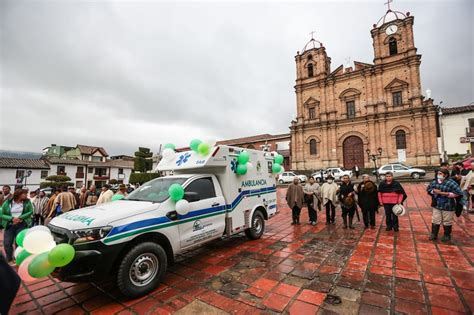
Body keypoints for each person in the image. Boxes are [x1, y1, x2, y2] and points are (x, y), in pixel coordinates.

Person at [427, 168, 463, 241]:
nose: (439, 175)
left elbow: (459, 193)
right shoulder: (434, 182)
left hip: (448, 204)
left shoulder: (451, 183)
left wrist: (446, 194)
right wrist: (433, 191)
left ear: (446, 175)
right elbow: (429, 189)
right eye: (438, 173)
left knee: (447, 220)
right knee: (435, 219)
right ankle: (434, 234)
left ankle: (447, 235)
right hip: (436, 204)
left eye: (440, 174)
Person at [1, 189, 33, 264]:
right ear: (18, 194)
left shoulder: (27, 202)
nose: (26, 195)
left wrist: (20, 218)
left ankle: (17, 258)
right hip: (10, 225)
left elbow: (30, 211)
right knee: (7, 243)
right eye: (24, 194)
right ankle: (9, 259)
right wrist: (12, 219)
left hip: (22, 225)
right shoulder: (8, 202)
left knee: (18, 243)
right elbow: (2, 214)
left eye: (26, 193)